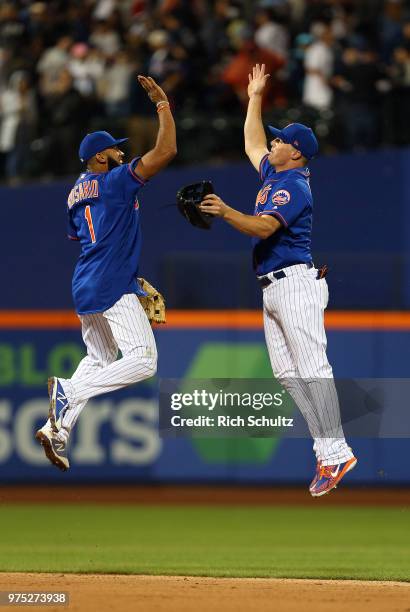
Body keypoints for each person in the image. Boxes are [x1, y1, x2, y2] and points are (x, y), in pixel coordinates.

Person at [199, 64, 357, 497]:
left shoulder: (295, 187)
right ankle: (327, 450)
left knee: (313, 368)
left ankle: (337, 450)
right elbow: (251, 141)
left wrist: (227, 211)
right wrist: (253, 97)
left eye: (282, 139)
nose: (274, 140)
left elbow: (265, 228)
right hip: (272, 287)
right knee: (287, 374)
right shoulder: (274, 171)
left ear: (297, 151)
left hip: (295, 285)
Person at [35, 75, 177, 472]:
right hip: (111, 279)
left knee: (99, 358)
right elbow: (166, 150)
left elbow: (84, 232)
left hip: (87, 280)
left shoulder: (74, 192)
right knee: (144, 360)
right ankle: (70, 390)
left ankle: (56, 429)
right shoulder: (114, 182)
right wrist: (163, 105)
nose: (120, 152)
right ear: (100, 157)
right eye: (115, 149)